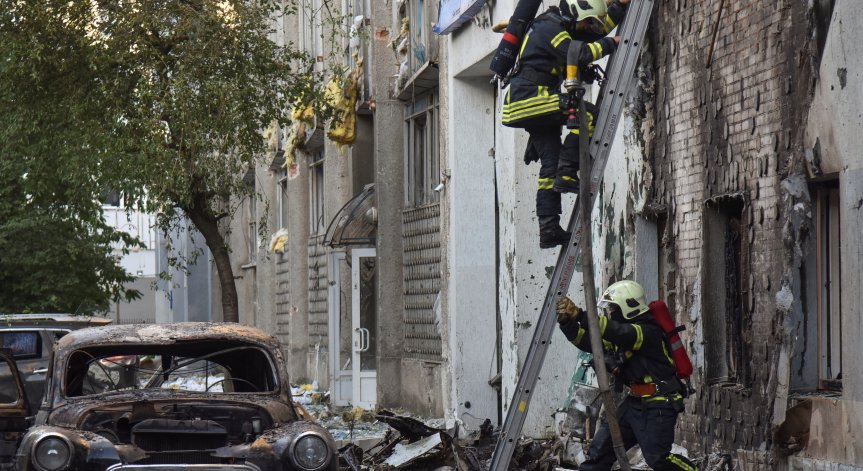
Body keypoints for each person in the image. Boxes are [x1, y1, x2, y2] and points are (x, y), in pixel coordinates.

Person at [501, 0, 630, 248]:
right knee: (588, 116)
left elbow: (595, 32)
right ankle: (568, 171)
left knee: (549, 166)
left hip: (527, 102)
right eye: (586, 20)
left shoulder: (560, 28)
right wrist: (611, 44)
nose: (587, 26)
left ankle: (548, 229)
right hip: (530, 98)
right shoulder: (549, 29)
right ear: (575, 12)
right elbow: (579, 53)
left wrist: (618, 7)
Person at [556, 280, 698, 471]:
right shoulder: (621, 336)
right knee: (599, 453)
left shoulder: (647, 332)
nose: (611, 313)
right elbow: (589, 342)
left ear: (628, 307)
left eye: (614, 308)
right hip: (634, 404)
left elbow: (620, 333)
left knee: (658, 458)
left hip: (659, 404)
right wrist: (567, 322)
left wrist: (581, 315)